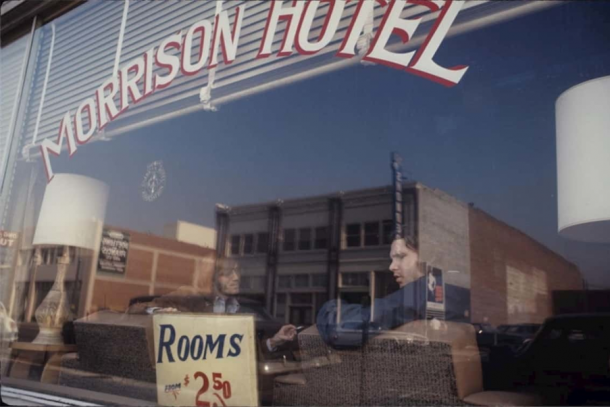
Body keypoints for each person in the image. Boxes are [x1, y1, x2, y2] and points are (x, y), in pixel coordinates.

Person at [129, 259, 297, 353]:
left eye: (237, 272)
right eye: (228, 273)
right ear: (212, 277)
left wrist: (275, 341)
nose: (236, 277)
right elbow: (136, 308)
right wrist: (160, 312)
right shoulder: (191, 297)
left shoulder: (242, 309)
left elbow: (246, 353)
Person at [317, 236, 460, 345]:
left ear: (427, 258)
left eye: (400, 257)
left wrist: (329, 309)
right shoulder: (455, 293)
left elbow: (341, 328)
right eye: (392, 259)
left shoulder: (419, 294)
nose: (392, 267)